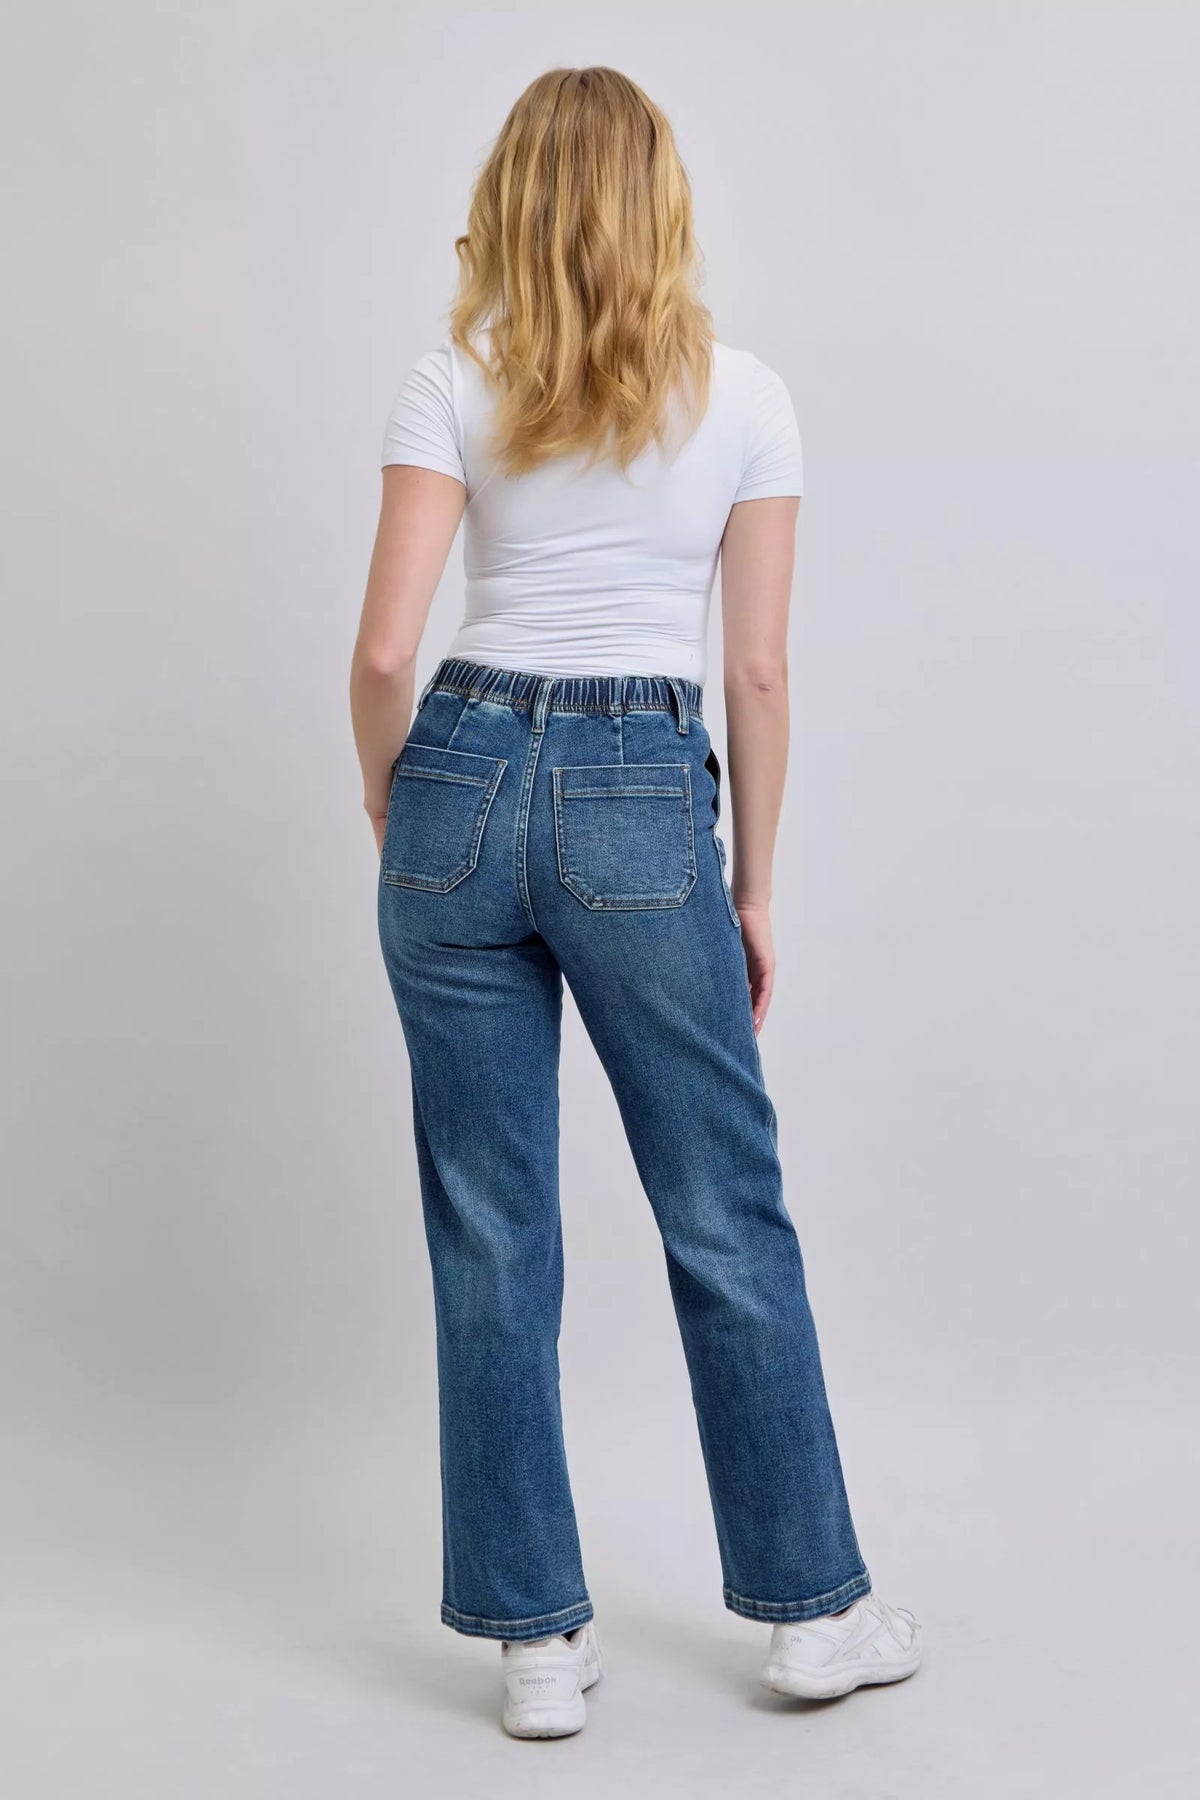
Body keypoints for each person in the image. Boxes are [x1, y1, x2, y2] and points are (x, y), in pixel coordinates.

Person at [350, 65, 921, 1739]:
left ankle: (535, 1646)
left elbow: (384, 652)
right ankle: (814, 1615)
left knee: (490, 1229)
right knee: (724, 1209)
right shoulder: (746, 397)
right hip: (637, 797)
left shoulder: (450, 380)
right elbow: (758, 669)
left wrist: (395, 800)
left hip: (456, 780)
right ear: (662, 204)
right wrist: (754, 887)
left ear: (512, 199)